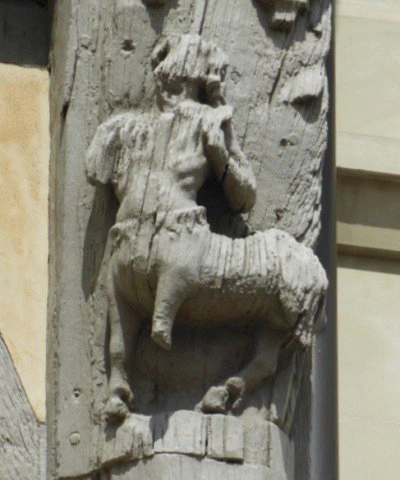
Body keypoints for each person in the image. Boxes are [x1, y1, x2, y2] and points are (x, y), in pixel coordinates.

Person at [86, 34, 327, 420]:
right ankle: (119, 378)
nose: (172, 88)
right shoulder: (130, 128)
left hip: (177, 234)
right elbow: (95, 168)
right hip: (131, 236)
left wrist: (220, 149)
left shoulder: (205, 122)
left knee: (155, 279)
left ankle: (164, 324)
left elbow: (243, 198)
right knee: (121, 303)